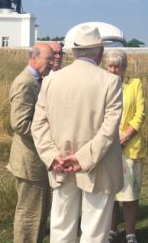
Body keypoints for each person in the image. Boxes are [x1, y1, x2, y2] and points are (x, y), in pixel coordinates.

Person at [32, 24, 123, 243]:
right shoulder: (110, 81)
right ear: (100, 52)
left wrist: (53, 157)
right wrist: (82, 158)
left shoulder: (51, 80)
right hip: (97, 166)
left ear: (73, 52)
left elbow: (38, 124)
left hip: (60, 165)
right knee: (94, 230)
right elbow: (109, 129)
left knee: (61, 226)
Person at [7, 43, 55, 243]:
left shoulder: (36, 80)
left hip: (36, 160)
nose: (52, 63)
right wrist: (47, 138)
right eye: (49, 59)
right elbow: (19, 124)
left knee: (39, 212)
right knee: (30, 214)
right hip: (29, 160)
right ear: (34, 58)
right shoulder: (25, 83)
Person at [105, 49, 146, 243]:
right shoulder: (101, 85)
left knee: (129, 194)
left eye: (117, 66)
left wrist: (125, 137)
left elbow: (140, 115)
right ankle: (112, 229)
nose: (113, 70)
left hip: (129, 147)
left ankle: (130, 233)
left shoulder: (135, 84)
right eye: (110, 66)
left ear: (125, 68)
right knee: (110, 193)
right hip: (106, 147)